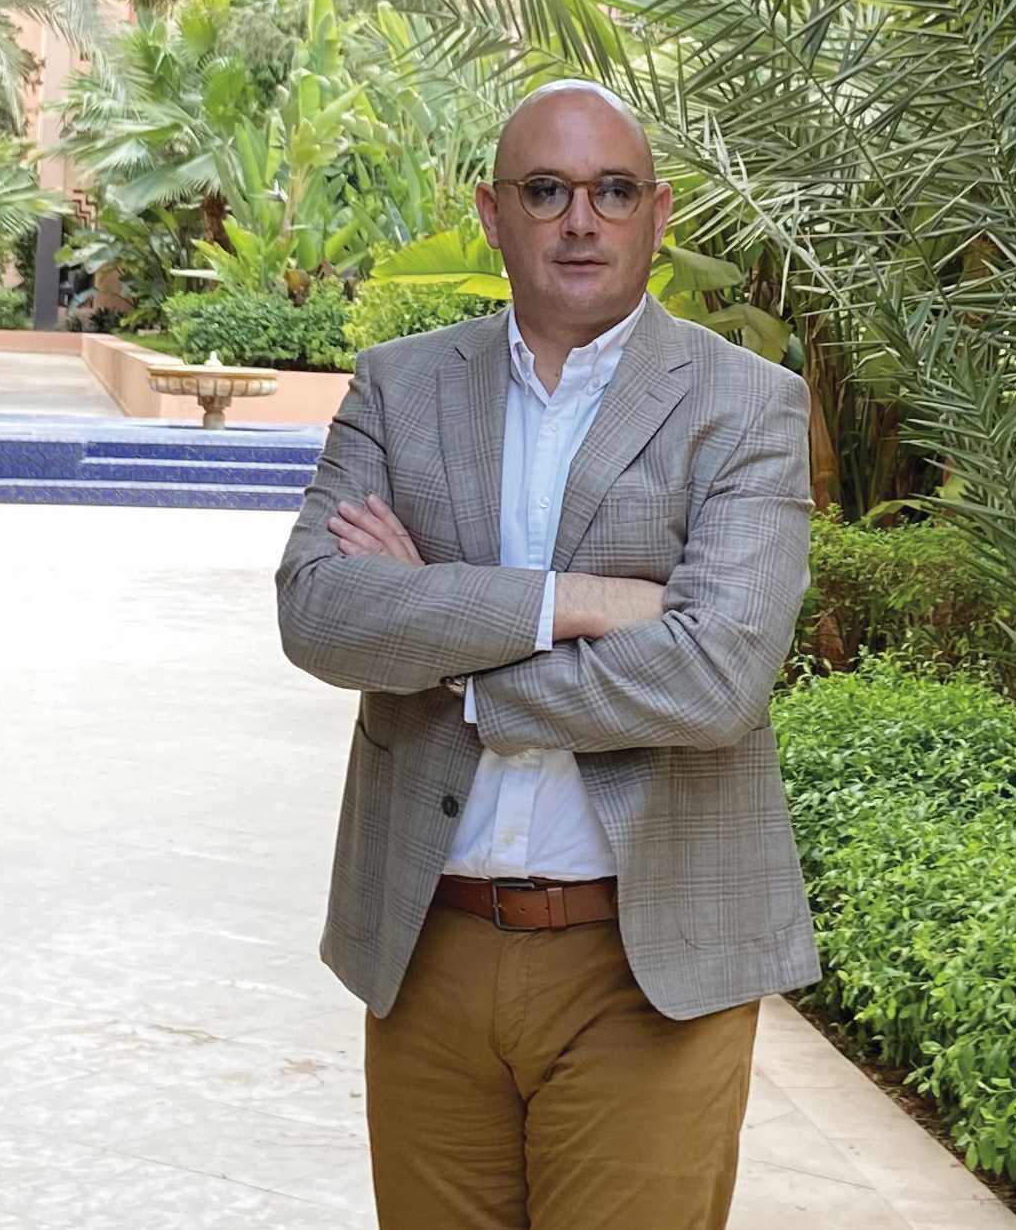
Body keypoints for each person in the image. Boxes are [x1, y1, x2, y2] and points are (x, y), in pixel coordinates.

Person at [274, 79, 819, 1229]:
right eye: (546, 190)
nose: (581, 220)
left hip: (646, 965)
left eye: (612, 191)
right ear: (492, 211)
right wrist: (577, 602)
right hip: (427, 946)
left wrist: (445, 644)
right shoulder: (400, 386)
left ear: (657, 213)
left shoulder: (745, 406)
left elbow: (715, 677)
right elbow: (318, 610)